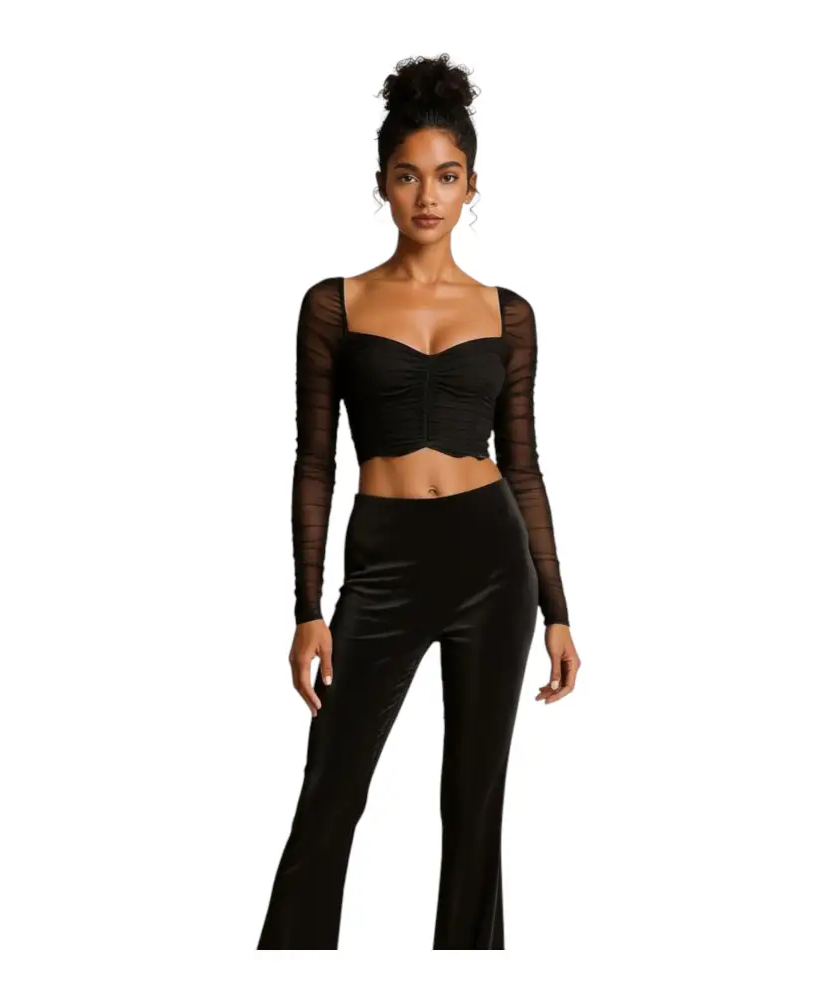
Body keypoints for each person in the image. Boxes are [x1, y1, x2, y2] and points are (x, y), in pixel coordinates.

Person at [258, 53, 581, 950]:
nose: (427, 196)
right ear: (382, 185)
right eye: (408, 176)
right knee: (330, 794)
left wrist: (557, 611)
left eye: (446, 176)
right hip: (386, 556)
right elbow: (314, 462)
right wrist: (309, 607)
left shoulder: (508, 315)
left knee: (475, 808)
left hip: (492, 561)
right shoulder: (335, 305)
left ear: (471, 185)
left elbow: (524, 466)